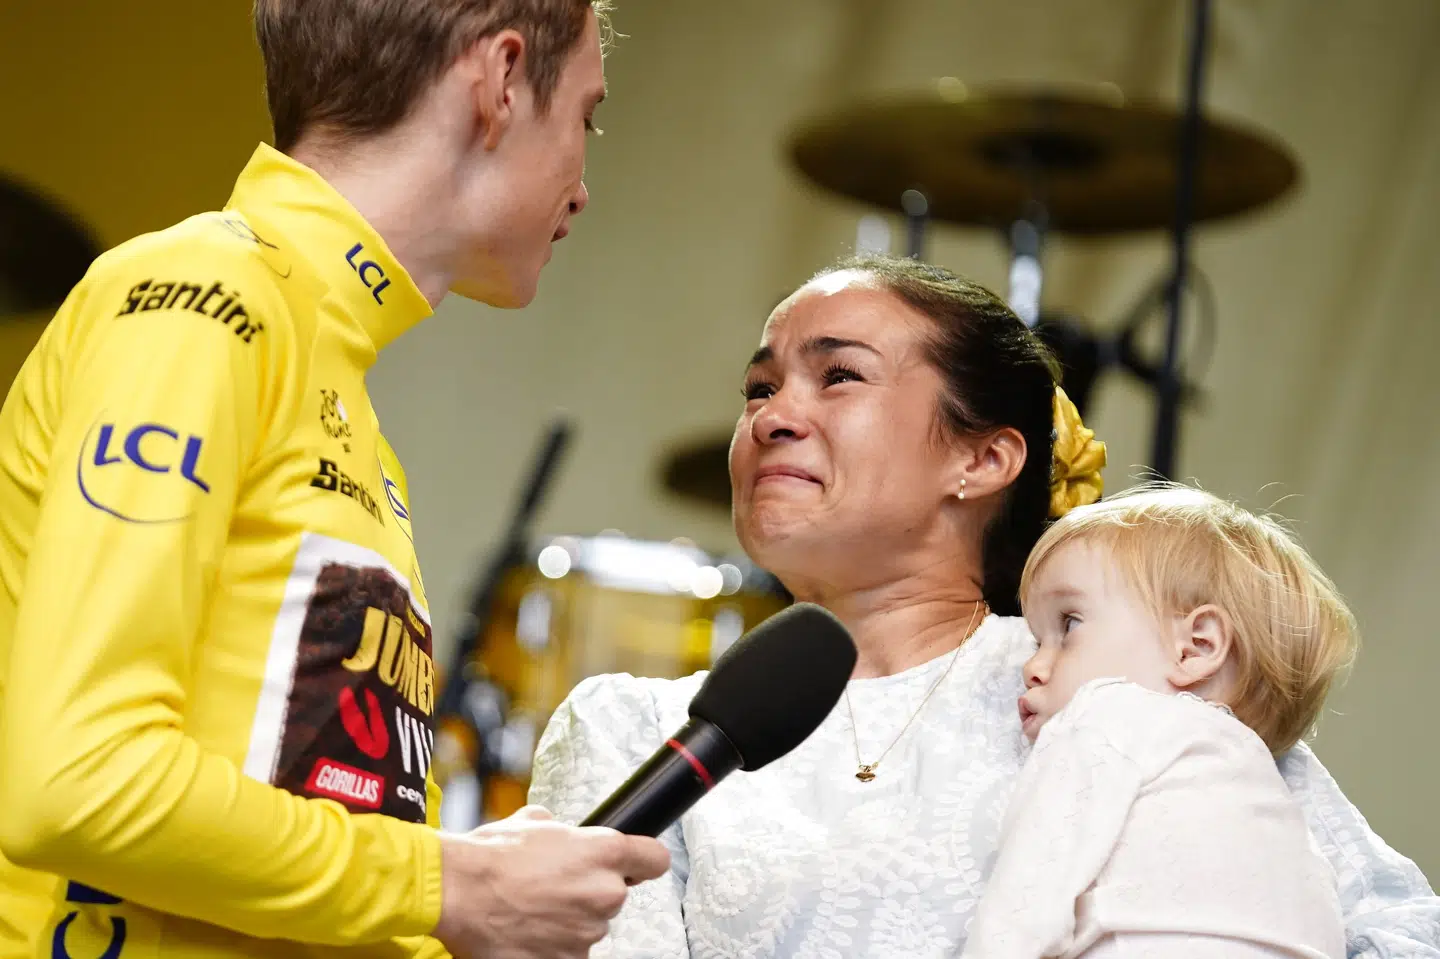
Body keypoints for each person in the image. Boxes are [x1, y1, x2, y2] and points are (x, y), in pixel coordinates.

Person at [529, 254, 1440, 957]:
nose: (773, 415)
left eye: (837, 375)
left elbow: (1395, 931)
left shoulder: (1113, 675)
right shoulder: (636, 727)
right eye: (759, 388)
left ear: (984, 458)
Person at [0, 2, 669, 958]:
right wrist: (452, 881)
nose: (585, 179)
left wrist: (485, 903)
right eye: (588, 118)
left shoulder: (342, 397)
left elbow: (317, 850)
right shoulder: (206, 296)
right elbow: (81, 780)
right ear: (502, 79)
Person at [962, 484, 1357, 957]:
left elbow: (1025, 903)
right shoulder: (1269, 791)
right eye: (1035, 641)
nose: (1033, 667)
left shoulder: (1107, 716)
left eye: (1068, 625)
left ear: (1196, 647)